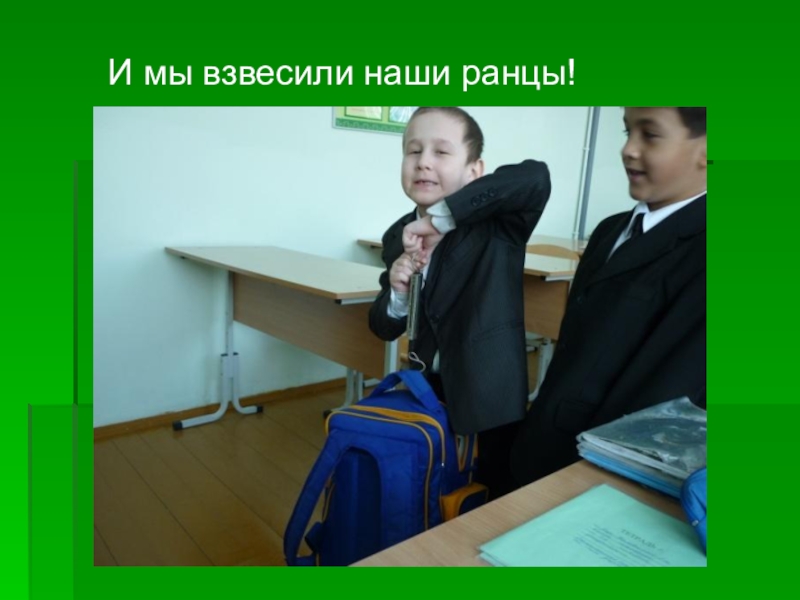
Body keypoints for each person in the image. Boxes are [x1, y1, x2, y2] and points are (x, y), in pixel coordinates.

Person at [510, 107, 707, 486]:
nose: (629, 149)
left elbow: (665, 395)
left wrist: (594, 476)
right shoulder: (610, 230)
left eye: (651, 135)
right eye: (627, 132)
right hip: (545, 440)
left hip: (605, 470)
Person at [368, 107, 551, 499]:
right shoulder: (397, 234)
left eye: (441, 152)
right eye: (413, 150)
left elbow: (536, 177)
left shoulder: (498, 226)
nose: (424, 162)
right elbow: (383, 325)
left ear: (474, 171)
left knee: (491, 500)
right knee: (430, 497)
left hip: (489, 398)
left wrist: (440, 218)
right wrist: (398, 293)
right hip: (426, 393)